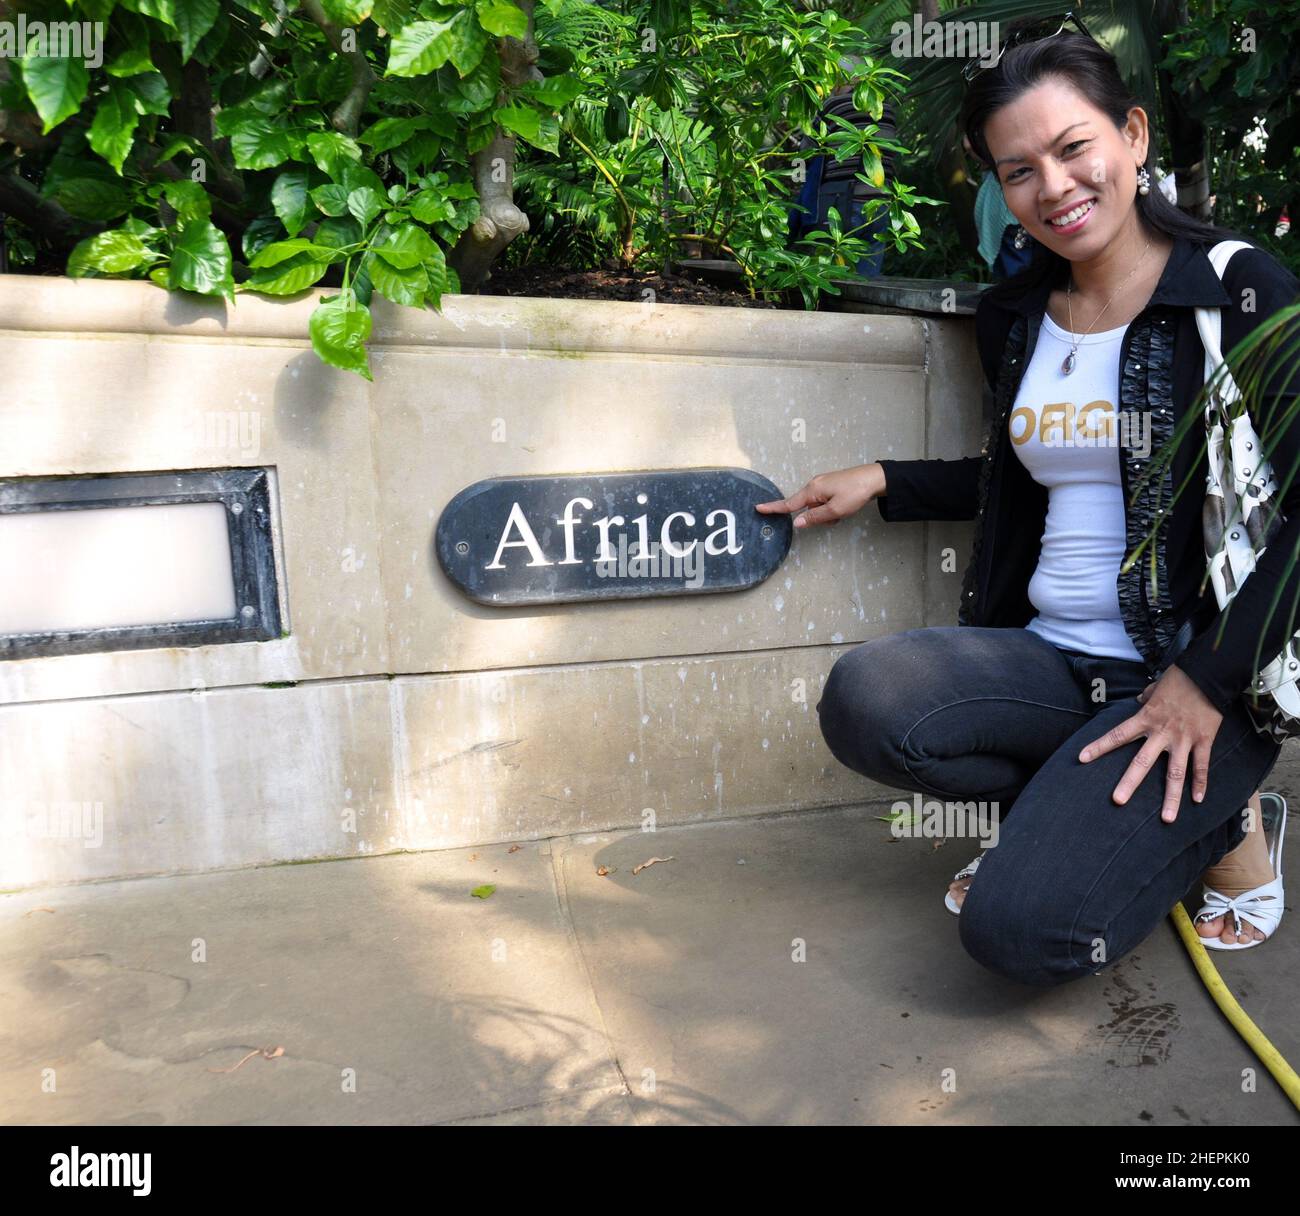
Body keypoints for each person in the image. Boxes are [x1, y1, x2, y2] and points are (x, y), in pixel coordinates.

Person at [756, 23, 1300, 986]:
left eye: (1073, 147)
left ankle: (1230, 825)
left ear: (1131, 136)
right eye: (1018, 170)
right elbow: (1034, 474)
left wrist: (1205, 680)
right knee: (867, 701)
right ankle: (1079, 818)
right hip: (1051, 659)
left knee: (1021, 936)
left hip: (1201, 675)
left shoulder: (1238, 289)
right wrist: (886, 479)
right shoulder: (1016, 316)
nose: (1052, 187)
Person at [787, 82, 898, 279]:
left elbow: (804, 153)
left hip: (842, 200)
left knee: (827, 275)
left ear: (843, 82)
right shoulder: (887, 110)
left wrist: (798, 183)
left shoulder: (833, 106)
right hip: (883, 202)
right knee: (867, 279)